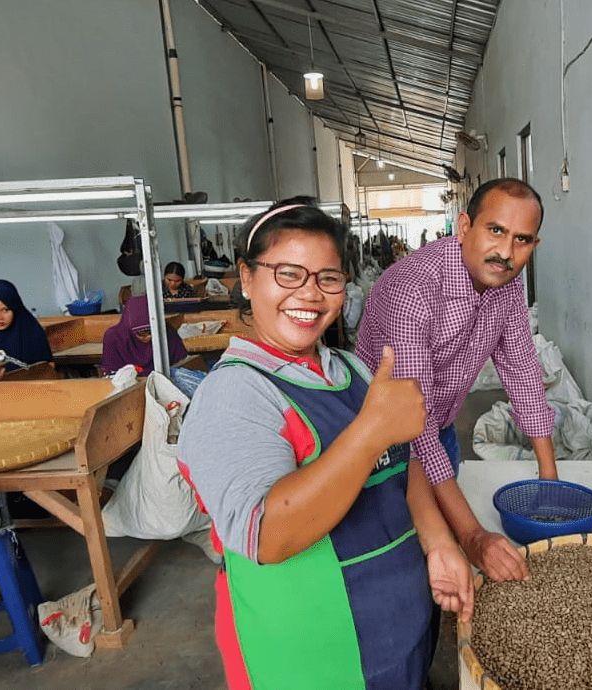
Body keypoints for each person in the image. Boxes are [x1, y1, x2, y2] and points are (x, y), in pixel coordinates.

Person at [178, 201, 472, 689]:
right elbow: (267, 535)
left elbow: (405, 463)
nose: (309, 294)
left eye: (328, 278)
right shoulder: (234, 395)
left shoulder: (352, 371)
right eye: (288, 273)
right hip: (315, 656)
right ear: (247, 279)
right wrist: (372, 429)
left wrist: (438, 543)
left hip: (403, 634)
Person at [356, 177, 557, 583]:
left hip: (439, 431)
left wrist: (550, 481)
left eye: (522, 239)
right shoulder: (413, 288)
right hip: (379, 449)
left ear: (534, 246)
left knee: (445, 563)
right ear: (464, 227)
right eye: (495, 230)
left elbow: (521, 371)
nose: (505, 252)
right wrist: (473, 537)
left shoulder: (507, 284)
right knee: (402, 561)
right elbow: (416, 424)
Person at [99, 295, 189, 374]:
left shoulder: (166, 332)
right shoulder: (114, 338)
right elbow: (111, 373)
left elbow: (183, 364)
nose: (148, 337)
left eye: (152, 332)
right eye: (141, 333)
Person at [0, 279, 53, 370]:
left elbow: (48, 368)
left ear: (15, 308)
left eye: (5, 310)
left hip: (27, 383)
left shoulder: (31, 331)